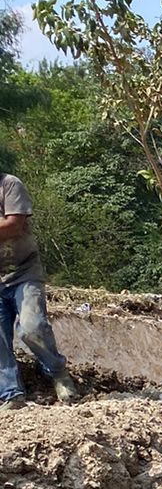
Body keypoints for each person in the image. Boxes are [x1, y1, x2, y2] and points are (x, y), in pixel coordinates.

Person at [0, 172, 80, 411]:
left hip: (24, 271)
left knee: (31, 326)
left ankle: (56, 371)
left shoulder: (9, 185)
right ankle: (10, 392)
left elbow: (14, 225)